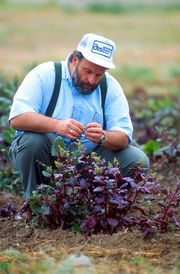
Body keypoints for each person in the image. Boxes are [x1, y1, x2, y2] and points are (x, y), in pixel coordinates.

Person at [9, 33, 149, 207]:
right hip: (45, 159)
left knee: (137, 160)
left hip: (88, 163)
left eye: (98, 75)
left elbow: (123, 137)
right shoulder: (45, 75)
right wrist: (57, 125)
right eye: (88, 71)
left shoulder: (110, 88)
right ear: (75, 60)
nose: (91, 80)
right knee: (33, 141)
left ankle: (94, 208)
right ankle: (37, 206)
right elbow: (17, 118)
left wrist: (102, 136)